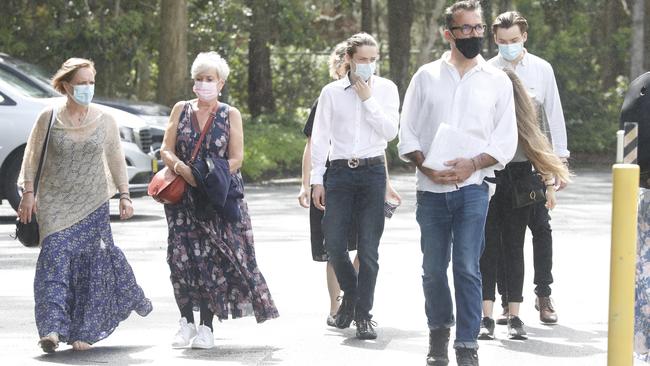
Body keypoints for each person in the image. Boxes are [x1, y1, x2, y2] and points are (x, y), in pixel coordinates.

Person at [397, 1, 517, 364]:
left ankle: (467, 344)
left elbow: (505, 140)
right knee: (433, 269)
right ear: (447, 33)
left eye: (477, 28)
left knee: (466, 265)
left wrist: (473, 164)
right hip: (431, 193)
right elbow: (408, 134)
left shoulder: (497, 81)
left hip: (474, 190)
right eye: (464, 29)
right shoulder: (425, 76)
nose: (473, 35)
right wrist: (427, 168)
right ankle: (438, 334)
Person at [17, 58, 152, 353]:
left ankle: (83, 329)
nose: (88, 88)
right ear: (66, 86)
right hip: (54, 203)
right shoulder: (48, 117)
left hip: (93, 203)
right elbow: (32, 157)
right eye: (81, 83)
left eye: (91, 82)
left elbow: (116, 160)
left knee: (91, 267)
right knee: (54, 257)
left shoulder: (105, 120)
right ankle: (51, 328)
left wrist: (126, 196)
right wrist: (29, 193)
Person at [160, 51, 278, 349]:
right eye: (199, 79)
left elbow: (237, 158)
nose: (203, 84)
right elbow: (166, 149)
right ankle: (185, 321)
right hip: (182, 199)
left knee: (211, 259)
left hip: (216, 195)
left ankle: (206, 327)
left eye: (209, 79)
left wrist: (207, 176)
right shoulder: (181, 110)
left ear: (220, 83)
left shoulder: (230, 114)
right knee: (180, 258)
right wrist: (183, 170)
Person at [297, 42, 401, 327]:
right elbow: (319, 138)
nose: (368, 64)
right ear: (349, 59)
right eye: (362, 59)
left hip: (372, 172)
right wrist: (316, 181)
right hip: (340, 172)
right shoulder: (331, 93)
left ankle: (362, 316)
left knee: (368, 249)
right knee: (333, 243)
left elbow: (390, 132)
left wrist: (368, 99)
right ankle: (352, 299)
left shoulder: (386, 89)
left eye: (373, 59)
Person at [489, 10, 570, 325]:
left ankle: (543, 294)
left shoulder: (541, 68)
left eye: (514, 40)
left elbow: (554, 115)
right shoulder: (488, 70)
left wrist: (558, 162)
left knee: (541, 228)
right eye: (502, 41)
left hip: (534, 164)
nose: (508, 46)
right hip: (500, 165)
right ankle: (506, 299)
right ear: (495, 40)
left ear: (524, 37)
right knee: (500, 236)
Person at [478, 69, 571, 341]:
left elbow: (537, 148)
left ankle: (515, 315)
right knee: (488, 249)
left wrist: (550, 187)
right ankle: (486, 316)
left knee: (514, 247)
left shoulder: (523, 111)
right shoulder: (484, 110)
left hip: (519, 181)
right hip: (488, 177)